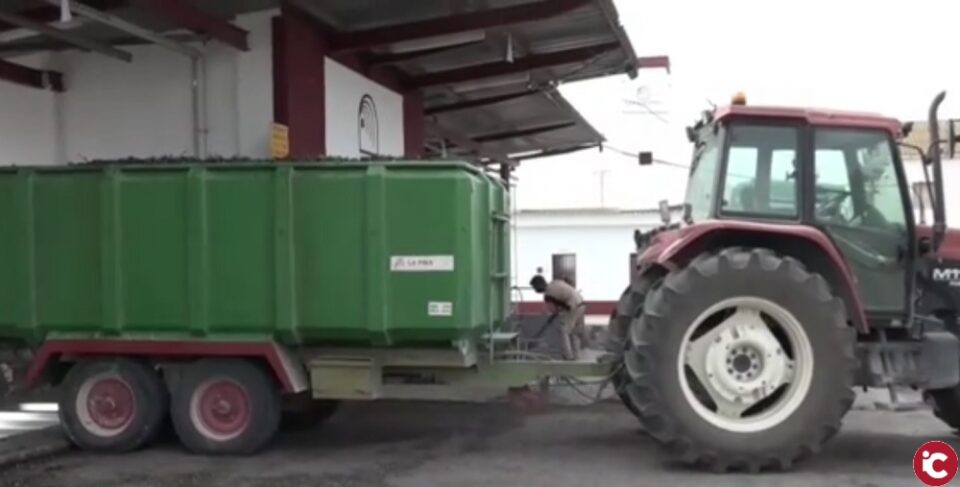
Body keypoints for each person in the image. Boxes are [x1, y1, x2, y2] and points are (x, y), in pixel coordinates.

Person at [529, 273, 589, 360]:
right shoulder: (555, 282)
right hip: (581, 303)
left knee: (564, 331)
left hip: (572, 307)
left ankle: (568, 356)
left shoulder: (548, 294)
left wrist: (551, 317)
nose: (535, 290)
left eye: (534, 287)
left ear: (539, 285)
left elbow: (553, 310)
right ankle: (576, 355)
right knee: (575, 331)